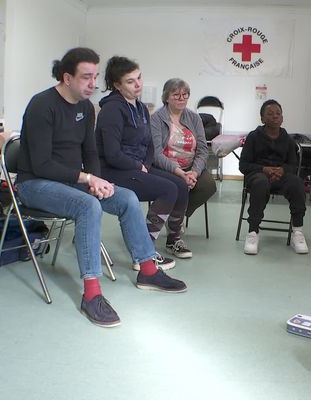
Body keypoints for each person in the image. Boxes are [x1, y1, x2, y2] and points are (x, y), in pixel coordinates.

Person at [16, 48, 186, 328]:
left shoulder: (85, 107)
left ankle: (147, 270)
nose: (93, 84)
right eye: (86, 78)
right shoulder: (41, 105)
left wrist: (98, 180)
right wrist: (87, 180)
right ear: (67, 77)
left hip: (71, 181)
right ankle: (92, 295)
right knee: (88, 205)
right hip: (35, 184)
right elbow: (42, 164)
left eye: (95, 77)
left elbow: (91, 152)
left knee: (127, 198)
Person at [95, 57, 191, 262]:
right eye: (130, 81)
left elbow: (149, 145)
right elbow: (112, 154)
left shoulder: (140, 107)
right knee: (168, 189)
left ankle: (173, 239)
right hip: (113, 170)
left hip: (137, 167)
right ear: (117, 84)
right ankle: (145, 253)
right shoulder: (112, 110)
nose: (138, 84)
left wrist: (145, 165)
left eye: (139, 78)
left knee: (181, 185)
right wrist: (138, 166)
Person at [239, 99, 308, 255]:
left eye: (278, 114)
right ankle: (253, 232)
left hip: (281, 177)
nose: (275, 117)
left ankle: (297, 232)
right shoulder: (253, 137)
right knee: (260, 183)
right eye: (270, 114)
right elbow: (243, 165)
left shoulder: (288, 140)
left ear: (282, 118)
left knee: (296, 183)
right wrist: (264, 169)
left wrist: (282, 170)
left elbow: (293, 165)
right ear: (262, 118)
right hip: (258, 176)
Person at [150, 78, 217, 227]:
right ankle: (175, 220)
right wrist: (180, 172)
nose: (181, 98)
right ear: (166, 97)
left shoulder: (194, 117)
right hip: (167, 167)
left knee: (209, 185)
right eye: (176, 95)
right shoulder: (156, 119)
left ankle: (176, 214)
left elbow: (202, 149)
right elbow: (156, 154)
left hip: (190, 166)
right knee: (178, 184)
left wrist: (194, 173)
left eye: (185, 94)